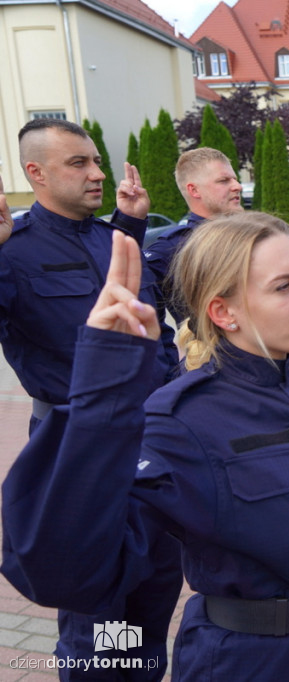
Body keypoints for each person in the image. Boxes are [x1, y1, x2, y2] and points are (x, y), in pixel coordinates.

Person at [2, 213, 289, 680]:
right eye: (284, 286)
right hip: (257, 663)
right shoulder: (181, 420)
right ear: (223, 312)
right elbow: (62, 573)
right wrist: (103, 391)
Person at [0, 118, 181, 681]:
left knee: (152, 592)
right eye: (78, 163)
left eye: (95, 160)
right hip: (77, 451)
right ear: (36, 174)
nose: (96, 172)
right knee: (96, 614)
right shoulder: (13, 253)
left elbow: (160, 337)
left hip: (152, 445)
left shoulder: (117, 240)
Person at [144, 147, 244, 325]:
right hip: (210, 351)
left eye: (235, 179)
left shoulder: (252, 235)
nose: (237, 186)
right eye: (224, 181)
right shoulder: (172, 249)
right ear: (194, 190)